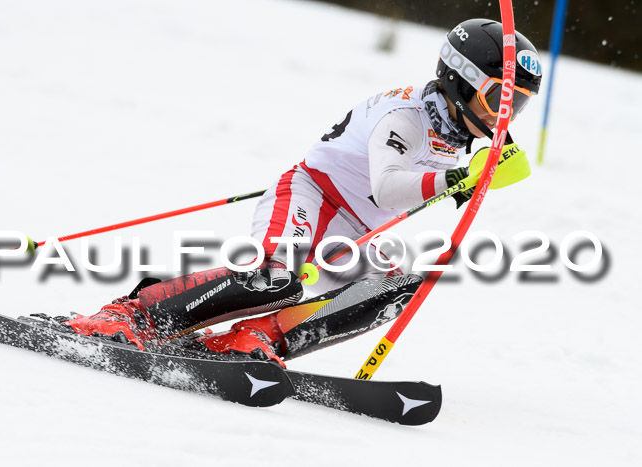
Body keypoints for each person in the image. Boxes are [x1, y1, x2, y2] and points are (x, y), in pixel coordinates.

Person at [62, 19, 542, 366]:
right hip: (311, 197)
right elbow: (389, 188)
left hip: (356, 233)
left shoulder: (461, 128)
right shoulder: (407, 116)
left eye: (517, 106)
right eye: (498, 99)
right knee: (276, 277)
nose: (505, 116)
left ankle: (253, 339)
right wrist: (460, 180)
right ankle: (133, 316)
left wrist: (490, 170)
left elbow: (447, 178)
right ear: (460, 80)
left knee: (398, 288)